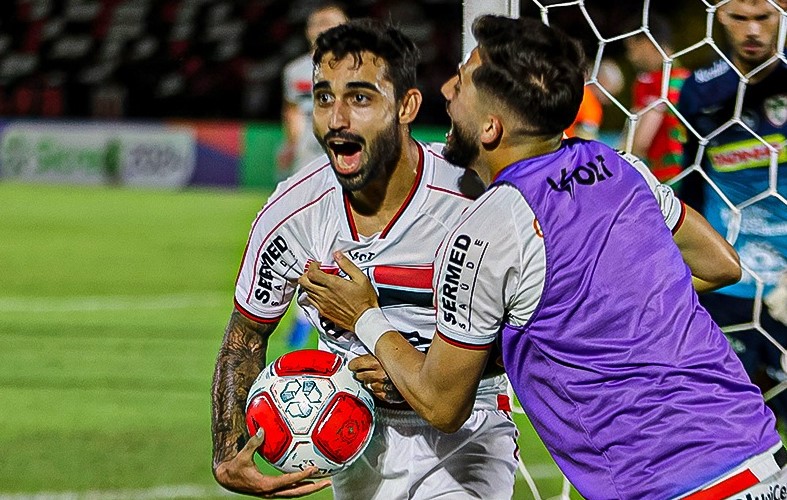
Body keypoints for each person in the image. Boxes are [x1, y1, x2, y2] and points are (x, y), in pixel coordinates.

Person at [300, 15, 786, 499]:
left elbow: (441, 404)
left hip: (666, 485)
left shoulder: (487, 231)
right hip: (761, 458)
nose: (446, 89)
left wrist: (364, 315)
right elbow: (720, 263)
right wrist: (606, 314)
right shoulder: (619, 167)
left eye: (463, 79)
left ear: (491, 127)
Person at [211, 19, 518, 499]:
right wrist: (227, 449)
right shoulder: (292, 214)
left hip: (467, 430)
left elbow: (531, 334)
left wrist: (423, 376)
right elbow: (247, 333)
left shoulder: (472, 199)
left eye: (359, 98)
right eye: (324, 98)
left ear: (406, 106)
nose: (336, 119)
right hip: (350, 435)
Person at [677, 0, 787, 425]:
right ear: (718, 16)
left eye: (764, 17)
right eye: (740, 17)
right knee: (726, 414)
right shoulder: (701, 90)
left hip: (784, 282)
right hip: (727, 277)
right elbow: (692, 182)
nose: (753, 31)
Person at [278, 3, 348, 349]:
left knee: (336, 243)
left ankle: (317, 318)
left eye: (331, 22)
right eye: (317, 23)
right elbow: (292, 110)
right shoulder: (295, 71)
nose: (323, 28)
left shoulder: (355, 66)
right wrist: (290, 145)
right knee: (301, 241)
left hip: (343, 164)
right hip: (306, 163)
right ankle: (303, 314)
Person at [623, 14, 689, 182]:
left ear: (646, 43)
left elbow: (640, 142)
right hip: (693, 174)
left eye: (632, 48)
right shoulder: (688, 79)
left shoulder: (651, 81)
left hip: (666, 177)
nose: (630, 57)